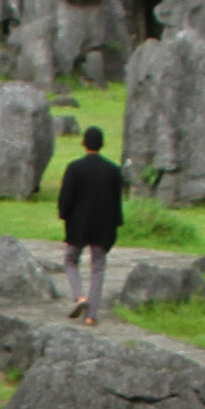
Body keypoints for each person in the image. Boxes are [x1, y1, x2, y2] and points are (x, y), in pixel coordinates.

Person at [54, 123, 125, 323]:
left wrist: (64, 215)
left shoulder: (75, 168)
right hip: (103, 225)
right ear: (102, 144)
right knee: (98, 267)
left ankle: (80, 296)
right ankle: (91, 315)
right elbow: (116, 201)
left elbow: (66, 198)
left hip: (78, 224)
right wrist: (115, 224)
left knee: (70, 260)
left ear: (84, 143)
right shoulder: (112, 170)